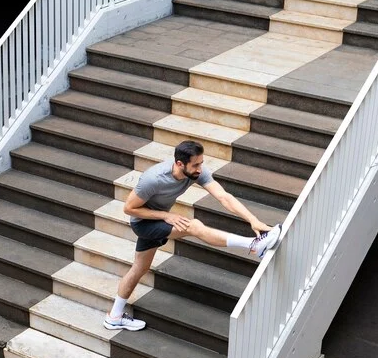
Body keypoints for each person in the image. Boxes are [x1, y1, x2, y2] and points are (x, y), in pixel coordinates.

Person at [104, 140, 283, 331]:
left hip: (161, 222)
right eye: (196, 164)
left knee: (139, 268)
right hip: (144, 224)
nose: (200, 168)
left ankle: (114, 316)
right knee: (193, 226)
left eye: (201, 163)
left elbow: (224, 197)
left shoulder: (197, 172)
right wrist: (166, 215)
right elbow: (129, 209)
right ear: (180, 164)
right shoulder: (153, 178)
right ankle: (253, 244)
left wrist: (252, 219)